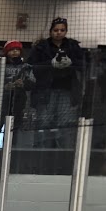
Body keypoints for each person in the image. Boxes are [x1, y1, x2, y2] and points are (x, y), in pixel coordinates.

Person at [26, 18, 87, 149]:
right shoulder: (41, 47)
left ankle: (63, 152)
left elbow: (83, 64)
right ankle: (42, 151)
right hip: (45, 91)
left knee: (64, 123)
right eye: (56, 30)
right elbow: (32, 65)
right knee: (44, 122)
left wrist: (71, 63)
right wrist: (50, 64)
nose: (58, 33)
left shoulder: (72, 46)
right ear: (50, 31)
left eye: (62, 30)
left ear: (66, 31)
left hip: (67, 90)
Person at [0, 41, 36, 141]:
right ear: (6, 52)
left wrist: (23, 84)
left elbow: (32, 83)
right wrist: (4, 87)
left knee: (16, 125)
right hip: (3, 100)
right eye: (12, 50)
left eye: (17, 50)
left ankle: (12, 145)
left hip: (19, 100)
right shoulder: (1, 66)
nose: (15, 52)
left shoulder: (26, 67)